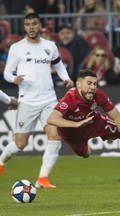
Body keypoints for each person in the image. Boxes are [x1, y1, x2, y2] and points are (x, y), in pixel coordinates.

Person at [0, 13, 74, 188]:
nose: (31, 27)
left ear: (40, 25)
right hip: (27, 100)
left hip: (49, 99)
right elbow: (7, 73)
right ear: (24, 27)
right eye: (28, 24)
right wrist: (14, 79)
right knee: (20, 144)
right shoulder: (17, 48)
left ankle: (42, 179)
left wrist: (66, 78)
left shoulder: (50, 46)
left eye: (34, 23)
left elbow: (58, 65)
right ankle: (2, 161)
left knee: (55, 136)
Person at [47, 69, 120, 158]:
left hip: (92, 122)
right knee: (86, 154)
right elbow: (51, 119)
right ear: (78, 84)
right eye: (89, 83)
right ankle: (85, 144)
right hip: (72, 133)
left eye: (95, 84)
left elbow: (116, 115)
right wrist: (76, 124)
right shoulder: (70, 98)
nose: (93, 87)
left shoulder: (99, 95)